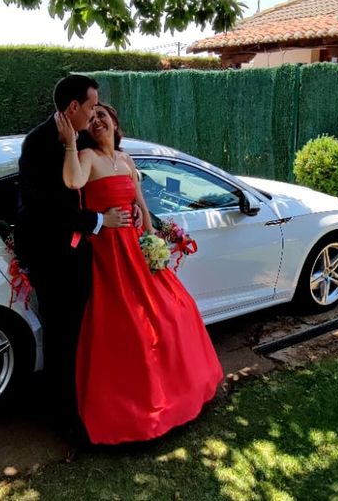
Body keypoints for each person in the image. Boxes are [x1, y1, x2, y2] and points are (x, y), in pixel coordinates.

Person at [61, 103, 224, 445]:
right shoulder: (87, 156)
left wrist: (151, 241)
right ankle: (131, 414)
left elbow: (142, 205)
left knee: (175, 313)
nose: (96, 122)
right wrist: (70, 143)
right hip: (110, 255)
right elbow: (72, 180)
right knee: (127, 328)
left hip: (136, 248)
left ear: (115, 120)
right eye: (90, 120)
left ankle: (179, 394)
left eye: (101, 116)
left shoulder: (126, 160)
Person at [15, 75, 132, 442]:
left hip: (83, 256)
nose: (94, 114)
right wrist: (99, 220)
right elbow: (44, 206)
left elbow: (107, 165)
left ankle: (87, 404)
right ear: (73, 108)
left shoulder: (79, 138)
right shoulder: (36, 144)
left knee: (81, 337)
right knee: (61, 340)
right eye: (91, 106)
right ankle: (65, 421)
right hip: (52, 258)